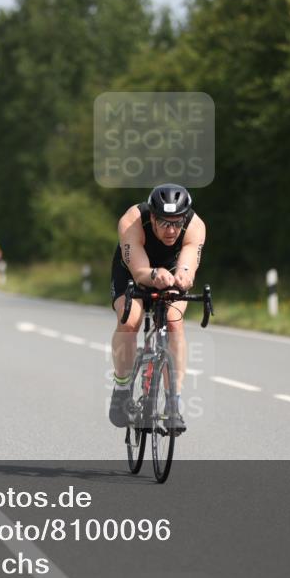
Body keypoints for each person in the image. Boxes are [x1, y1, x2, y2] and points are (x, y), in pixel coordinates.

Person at [108, 184, 206, 434]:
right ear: (152, 216)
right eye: (163, 223)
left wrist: (183, 277)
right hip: (133, 268)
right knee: (130, 320)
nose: (171, 230)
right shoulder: (132, 221)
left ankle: (174, 401)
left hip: (170, 268)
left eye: (176, 222)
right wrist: (153, 274)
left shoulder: (195, 226)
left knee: (174, 321)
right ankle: (121, 390)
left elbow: (187, 266)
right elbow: (140, 272)